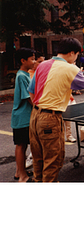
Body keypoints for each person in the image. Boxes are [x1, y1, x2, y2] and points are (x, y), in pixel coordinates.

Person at [28, 37, 84, 182]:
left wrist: (39, 108)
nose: (77, 58)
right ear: (72, 53)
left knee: (38, 159)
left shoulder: (43, 65)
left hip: (35, 115)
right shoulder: (70, 68)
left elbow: (31, 90)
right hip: (50, 118)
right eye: (77, 54)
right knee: (52, 161)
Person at [11, 48, 36, 182]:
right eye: (31, 59)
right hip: (22, 117)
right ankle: (22, 176)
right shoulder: (21, 76)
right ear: (23, 60)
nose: (34, 61)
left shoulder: (26, 75)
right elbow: (29, 98)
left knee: (23, 145)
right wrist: (41, 108)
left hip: (25, 118)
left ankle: (18, 172)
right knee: (21, 145)